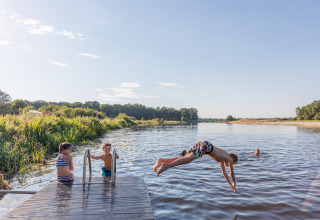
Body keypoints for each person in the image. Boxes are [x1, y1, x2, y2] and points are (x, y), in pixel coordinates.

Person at [153, 141, 238, 193]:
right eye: (233, 164)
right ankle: (166, 166)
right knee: (188, 159)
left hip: (204, 145)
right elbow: (231, 173)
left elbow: (224, 172)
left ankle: (163, 161)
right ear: (233, 160)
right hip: (206, 146)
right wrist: (234, 183)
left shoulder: (223, 159)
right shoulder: (229, 158)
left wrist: (230, 185)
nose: (230, 165)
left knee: (185, 158)